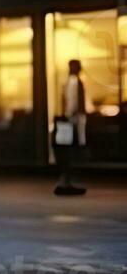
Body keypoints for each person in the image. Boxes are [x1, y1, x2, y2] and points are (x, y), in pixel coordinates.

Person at [54, 60, 89, 197]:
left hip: (71, 120)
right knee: (70, 151)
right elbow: (73, 102)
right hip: (73, 121)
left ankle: (66, 181)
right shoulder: (74, 81)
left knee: (68, 151)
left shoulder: (71, 81)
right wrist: (71, 117)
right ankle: (65, 181)